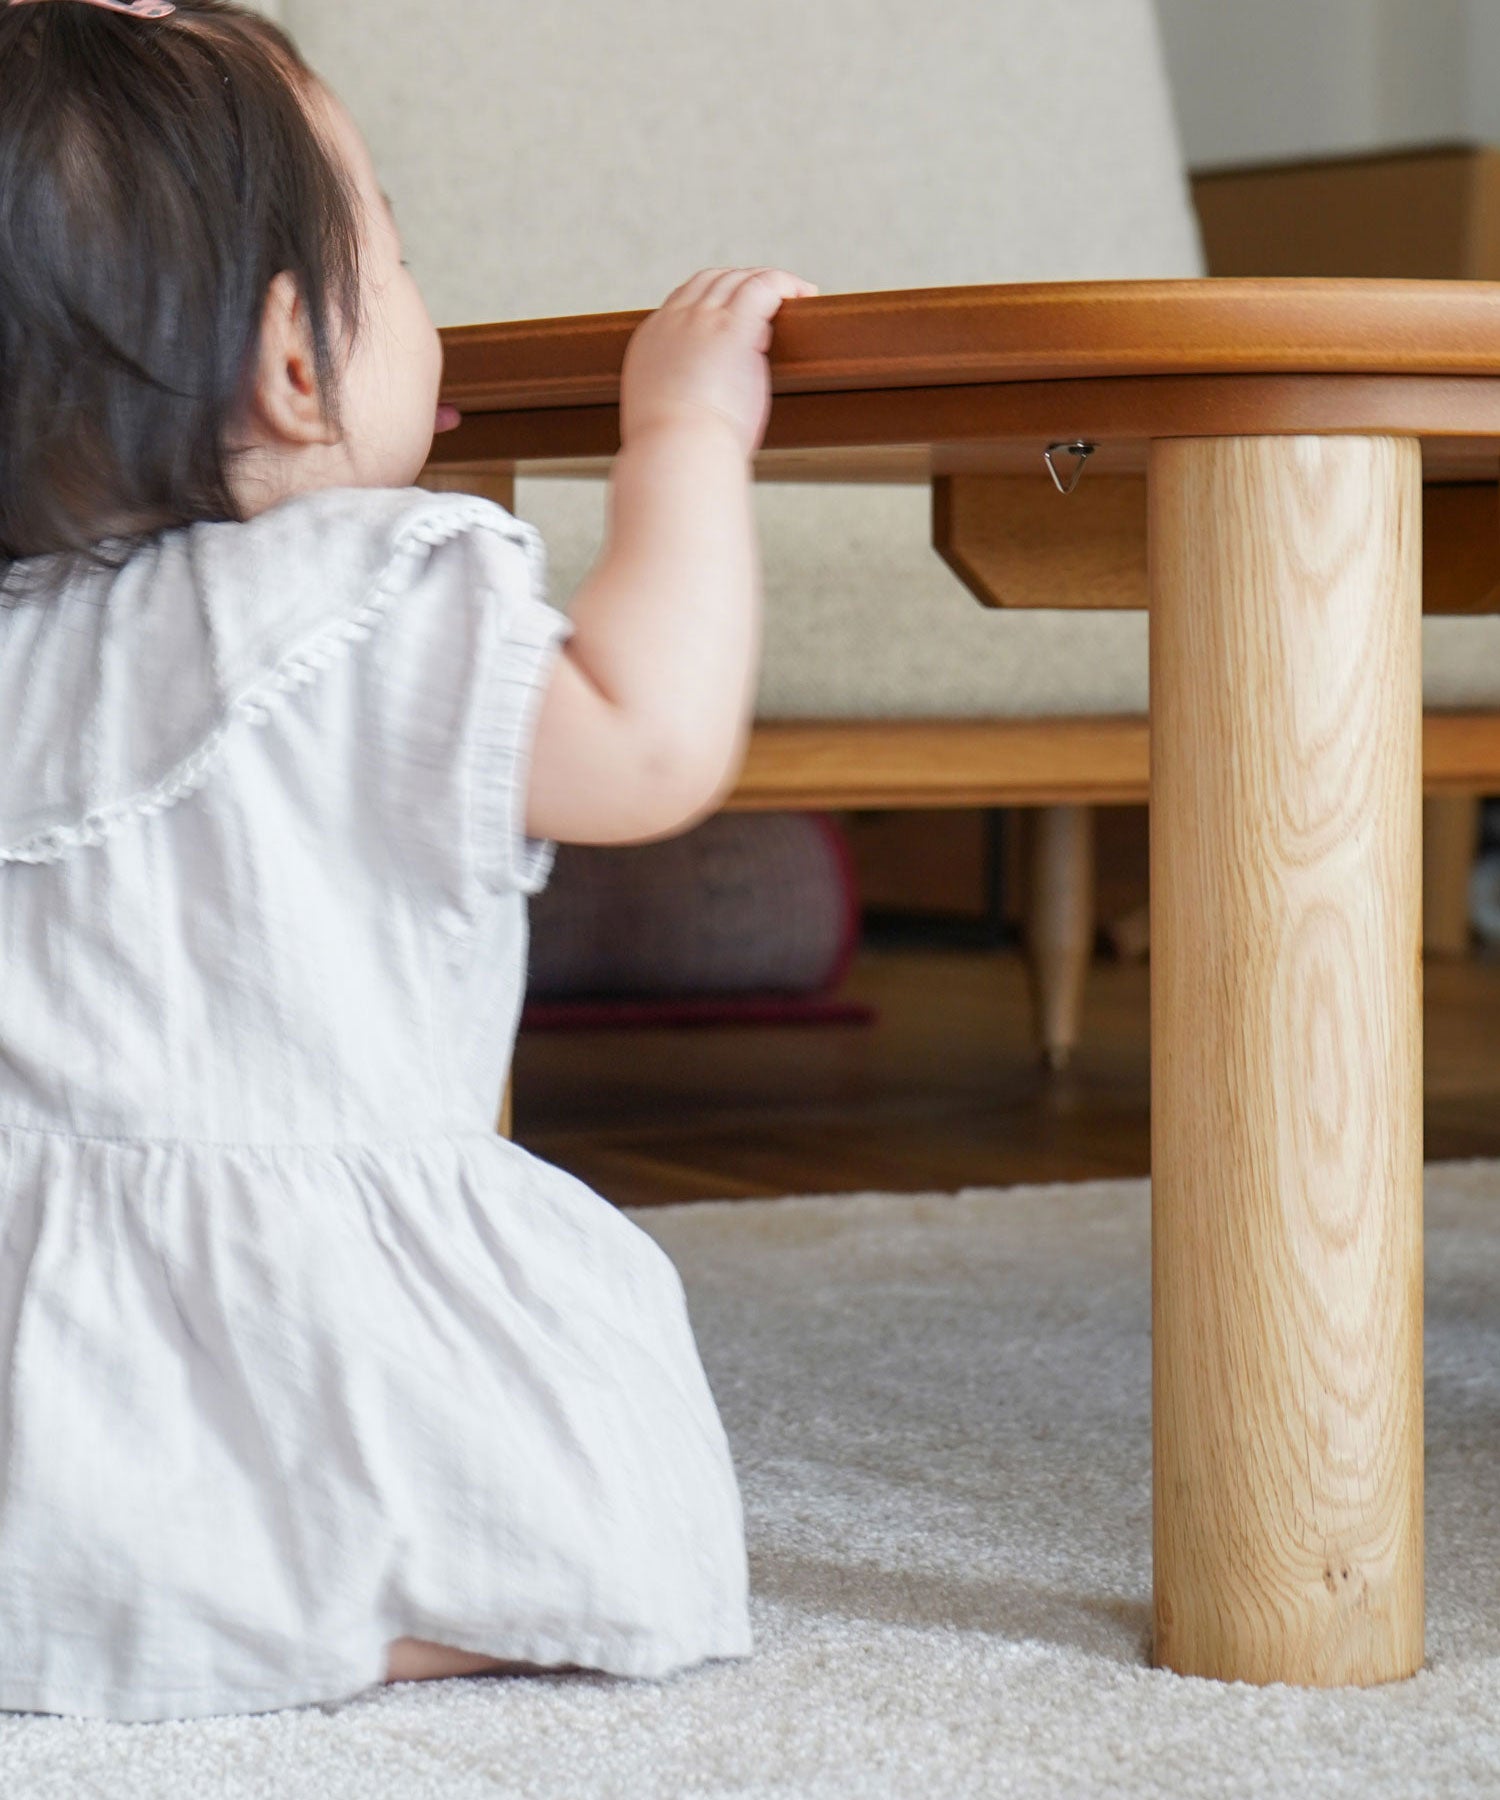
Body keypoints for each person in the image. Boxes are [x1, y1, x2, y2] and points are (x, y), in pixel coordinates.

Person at [0, 0, 818, 1722]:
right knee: (613, 1512)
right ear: (298, 365)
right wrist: (684, 439)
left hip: (43, 1327)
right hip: (323, 1297)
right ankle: (320, 1601)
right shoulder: (376, 587)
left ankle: (106, 1580)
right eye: (400, 254)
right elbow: (650, 746)